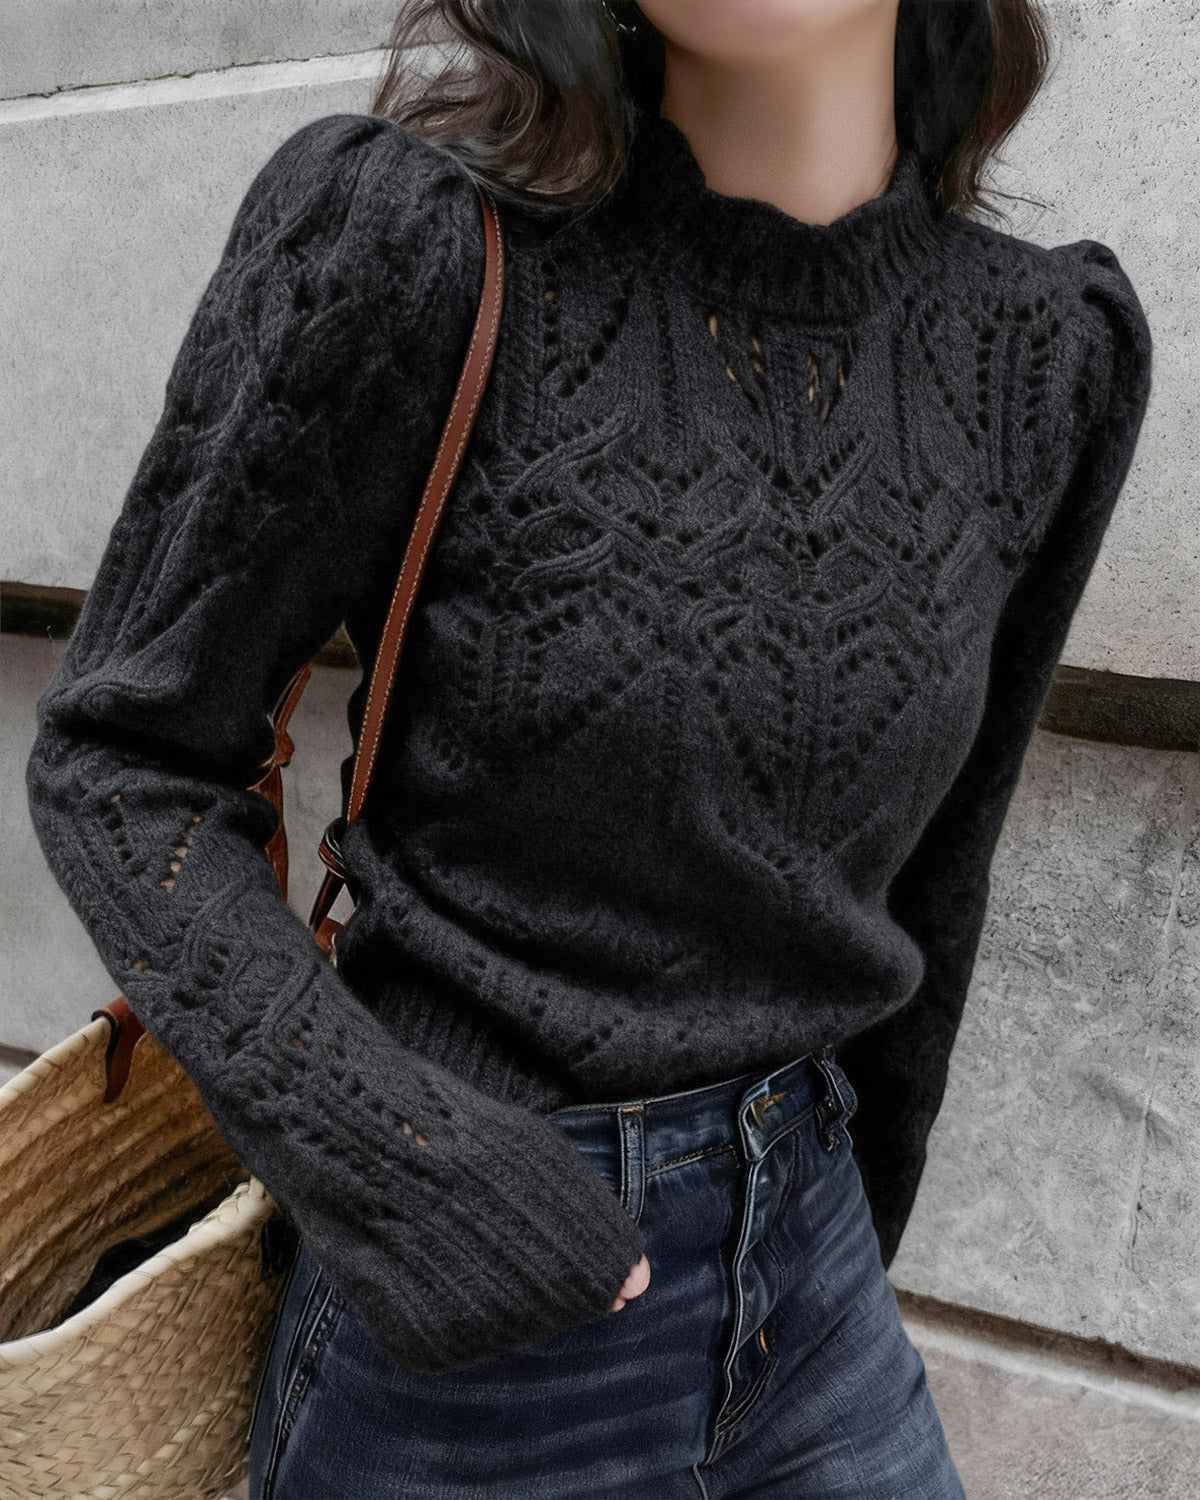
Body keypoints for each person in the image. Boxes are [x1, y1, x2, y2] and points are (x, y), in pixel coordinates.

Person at [24, 0, 1153, 1495]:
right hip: (479, 1332)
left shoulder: (1042, 355)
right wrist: (405, 1169)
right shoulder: (414, 241)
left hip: (816, 1295)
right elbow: (123, 759)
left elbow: (944, 875)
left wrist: (848, 1236)